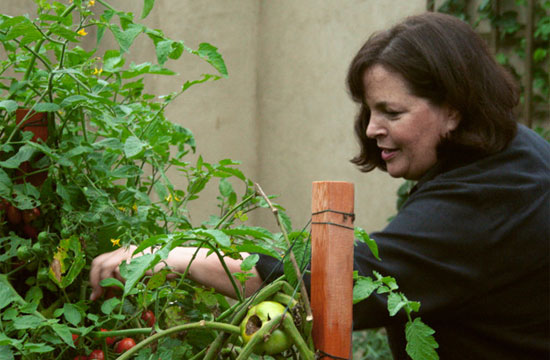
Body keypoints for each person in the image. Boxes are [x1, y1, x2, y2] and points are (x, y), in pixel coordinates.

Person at [89, 12, 550, 359]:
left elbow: (336, 282)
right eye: (369, 111)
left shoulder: (490, 200)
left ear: (453, 110)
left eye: (392, 112)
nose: (371, 129)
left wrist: (180, 257)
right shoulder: (511, 156)